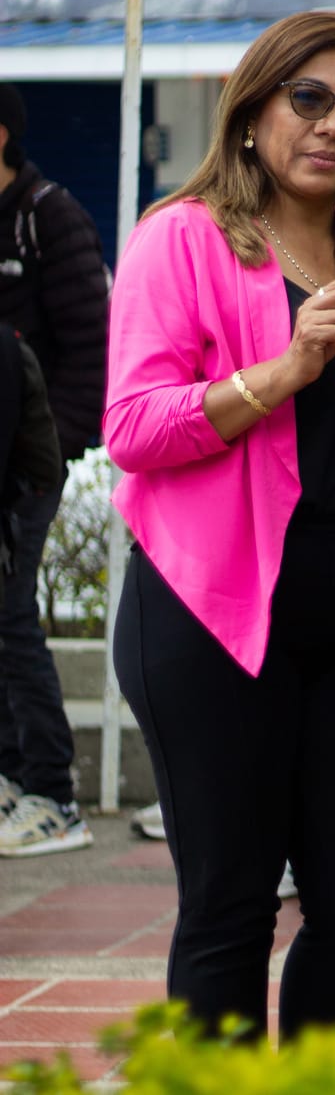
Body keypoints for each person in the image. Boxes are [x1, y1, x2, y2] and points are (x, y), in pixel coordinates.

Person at [103, 11, 335, 1036]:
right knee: (230, 905)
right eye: (309, 99)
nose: (332, 126)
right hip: (210, 615)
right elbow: (135, 429)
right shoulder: (179, 236)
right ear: (251, 112)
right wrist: (280, 370)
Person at [0, 82, 108, 858]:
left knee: (9, 620)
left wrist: (49, 452)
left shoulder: (48, 214)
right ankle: (12, 777)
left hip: (27, 464)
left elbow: (93, 351)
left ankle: (53, 793)